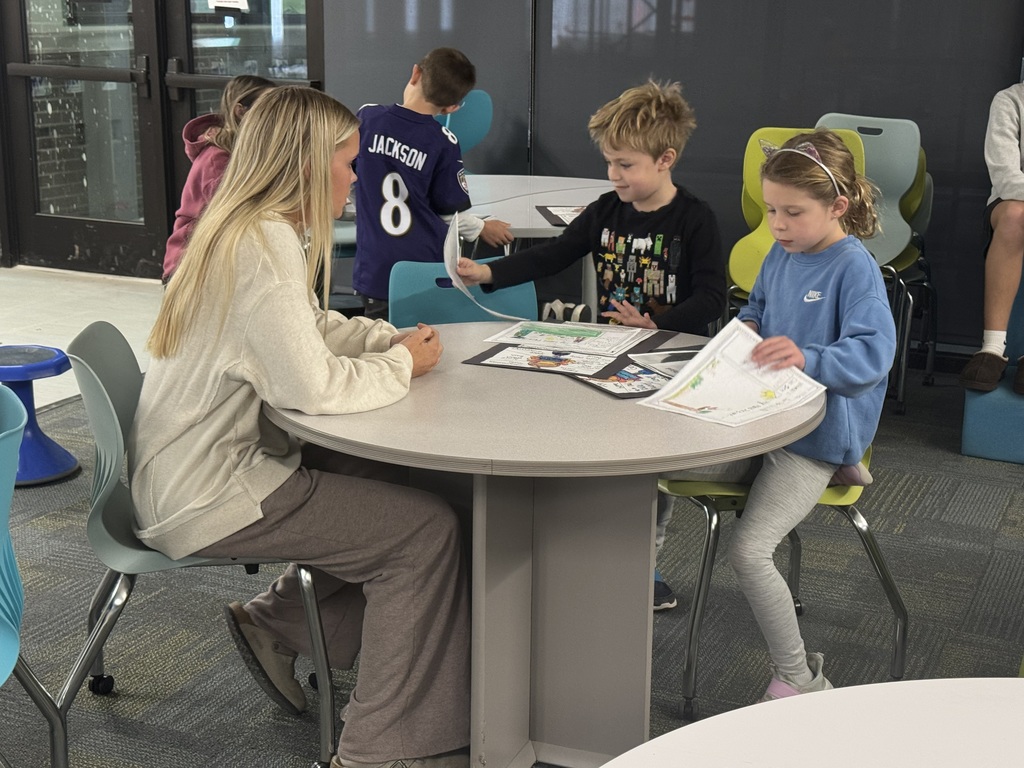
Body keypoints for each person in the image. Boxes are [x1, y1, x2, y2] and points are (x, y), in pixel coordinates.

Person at [130, 86, 470, 768]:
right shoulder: (261, 246)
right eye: (347, 161)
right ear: (306, 166)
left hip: (190, 467)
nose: (357, 175)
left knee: (393, 475)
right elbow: (309, 388)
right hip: (211, 489)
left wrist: (383, 341)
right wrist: (401, 365)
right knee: (426, 533)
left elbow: (302, 331)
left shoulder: (248, 226)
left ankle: (277, 623)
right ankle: (381, 751)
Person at [457, 79, 725, 610]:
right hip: (606, 356)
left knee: (648, 474)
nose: (613, 175)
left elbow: (713, 297)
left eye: (626, 165)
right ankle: (591, 556)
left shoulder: (695, 219)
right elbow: (552, 255)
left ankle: (642, 571)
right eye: (609, 163)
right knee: (599, 458)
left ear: (665, 158)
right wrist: (487, 272)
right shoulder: (605, 210)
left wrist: (654, 325)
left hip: (667, 360)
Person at [660, 129, 896, 701]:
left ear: (837, 207)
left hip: (813, 439)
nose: (779, 225)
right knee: (646, 459)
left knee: (749, 550)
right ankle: (644, 571)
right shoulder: (780, 253)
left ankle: (800, 679)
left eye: (793, 212)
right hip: (760, 418)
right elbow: (758, 309)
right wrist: (747, 330)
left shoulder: (854, 269)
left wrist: (808, 356)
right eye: (771, 211)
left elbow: (873, 353)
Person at [352, 47, 513, 319]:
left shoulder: (367, 118)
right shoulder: (443, 142)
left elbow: (351, 175)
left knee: (378, 346)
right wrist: (482, 227)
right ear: (453, 108)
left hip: (375, 268)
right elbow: (451, 215)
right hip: (424, 269)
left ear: (415, 73)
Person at [161, 74, 276, 283]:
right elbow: (234, 216)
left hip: (218, 262)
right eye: (267, 109)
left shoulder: (248, 152)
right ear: (241, 111)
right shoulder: (218, 159)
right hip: (191, 266)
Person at [959, 82, 1024, 395]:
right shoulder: (1009, 101)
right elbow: (1005, 175)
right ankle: (992, 349)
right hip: (1011, 204)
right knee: (1017, 216)